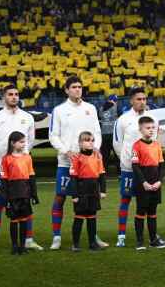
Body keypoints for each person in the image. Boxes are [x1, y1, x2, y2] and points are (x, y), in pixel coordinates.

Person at [0, 84, 42, 253]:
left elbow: (30, 141)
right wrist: (0, 159)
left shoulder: (27, 117)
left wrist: (21, 159)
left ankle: (28, 240)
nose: (14, 97)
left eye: (16, 94)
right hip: (1, 171)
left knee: (25, 206)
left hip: (22, 172)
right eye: (10, 94)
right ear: (4, 97)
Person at [49, 76, 104, 250]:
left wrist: (96, 148)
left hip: (89, 163)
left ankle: (93, 236)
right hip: (67, 163)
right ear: (66, 90)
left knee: (91, 199)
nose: (77, 89)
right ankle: (56, 237)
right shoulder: (59, 110)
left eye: (80, 86)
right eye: (74, 87)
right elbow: (53, 135)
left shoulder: (91, 108)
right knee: (60, 197)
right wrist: (66, 151)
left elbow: (97, 131)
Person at [112, 87, 158, 247]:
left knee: (147, 202)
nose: (142, 102)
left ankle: (151, 235)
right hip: (129, 169)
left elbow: (154, 142)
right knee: (125, 199)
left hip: (148, 171)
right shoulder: (123, 120)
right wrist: (126, 161)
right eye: (139, 99)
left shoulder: (152, 118)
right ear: (131, 101)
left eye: (144, 99)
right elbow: (117, 144)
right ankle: (121, 235)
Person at [130, 116, 165, 250]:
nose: (151, 130)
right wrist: (144, 183)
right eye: (148, 128)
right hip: (143, 185)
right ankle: (140, 242)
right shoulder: (136, 145)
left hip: (155, 183)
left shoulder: (157, 145)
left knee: (152, 212)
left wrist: (159, 181)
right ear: (140, 129)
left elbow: (161, 166)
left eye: (153, 128)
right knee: (141, 211)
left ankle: (153, 240)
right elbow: (135, 167)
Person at [0, 131, 39, 255]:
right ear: (12, 143)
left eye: (24, 142)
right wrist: (5, 197)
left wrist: (34, 195)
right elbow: (4, 180)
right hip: (13, 194)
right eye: (21, 142)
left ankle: (23, 246)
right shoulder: (6, 159)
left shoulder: (27, 157)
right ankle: (14, 246)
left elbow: (31, 177)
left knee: (24, 220)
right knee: (14, 220)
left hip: (25, 193)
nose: (23, 144)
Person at [69, 131, 107, 251]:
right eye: (86, 140)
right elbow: (73, 178)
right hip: (82, 190)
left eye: (92, 140)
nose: (90, 143)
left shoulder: (97, 157)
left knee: (92, 217)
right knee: (79, 217)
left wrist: (103, 190)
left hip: (94, 189)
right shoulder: (77, 158)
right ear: (80, 143)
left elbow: (101, 175)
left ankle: (92, 243)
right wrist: (74, 195)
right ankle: (75, 244)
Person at [98, 95, 118, 173]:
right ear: (113, 100)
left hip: (104, 134)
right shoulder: (116, 108)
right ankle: (119, 172)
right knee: (117, 154)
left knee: (105, 155)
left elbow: (99, 121)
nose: (116, 102)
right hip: (113, 134)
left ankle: (103, 171)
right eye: (115, 101)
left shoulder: (100, 108)